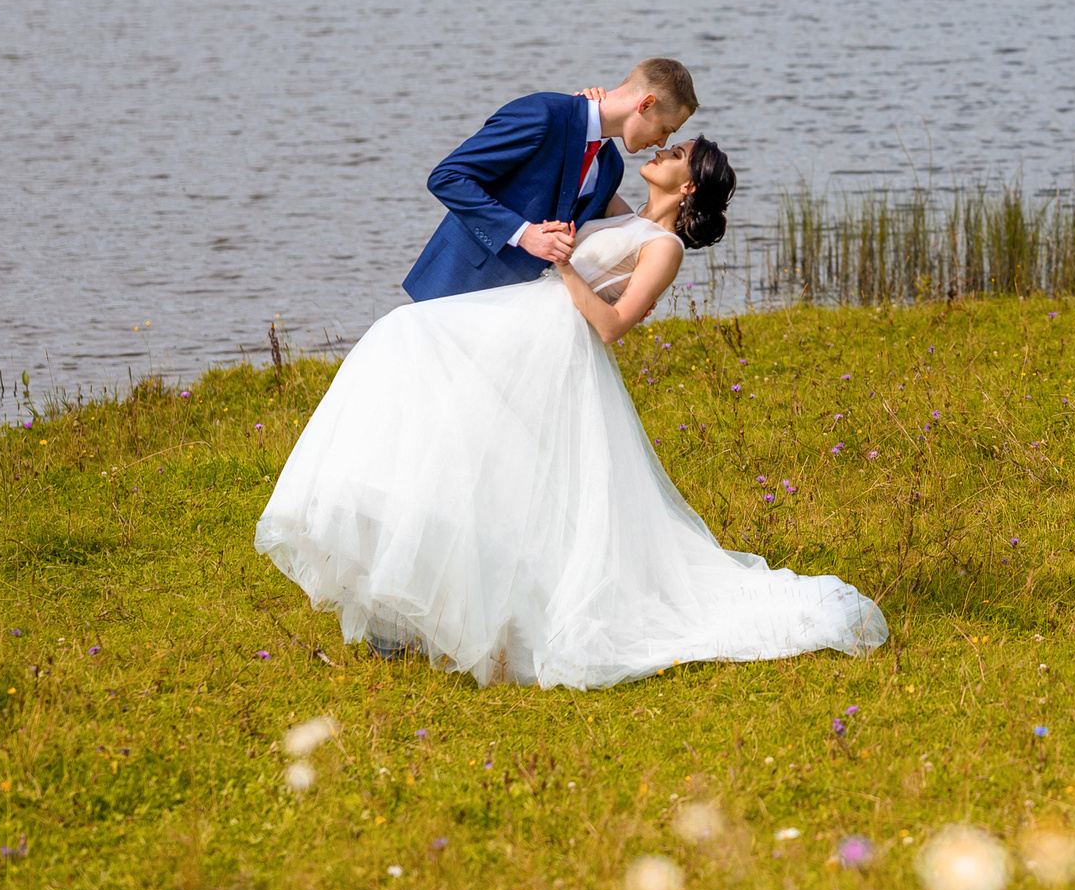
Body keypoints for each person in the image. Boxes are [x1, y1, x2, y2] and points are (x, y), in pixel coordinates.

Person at [256, 126, 888, 687]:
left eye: (677, 152)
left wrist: (564, 269)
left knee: (411, 347)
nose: (664, 149)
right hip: (523, 325)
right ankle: (403, 598)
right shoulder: (626, 216)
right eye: (669, 139)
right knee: (442, 411)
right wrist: (591, 118)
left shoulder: (662, 247)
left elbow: (613, 324)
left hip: (553, 341)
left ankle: (440, 608)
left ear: (690, 185)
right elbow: (593, 167)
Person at [403, 59, 698, 304]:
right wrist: (523, 234)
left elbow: (624, 238)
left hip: (522, 310)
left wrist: (629, 296)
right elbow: (448, 177)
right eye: (665, 129)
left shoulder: (611, 167)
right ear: (646, 104)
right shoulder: (545, 114)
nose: (661, 141)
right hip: (455, 284)